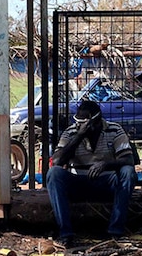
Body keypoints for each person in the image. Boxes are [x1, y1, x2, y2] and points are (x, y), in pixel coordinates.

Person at [46, 100, 136, 247]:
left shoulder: (114, 129)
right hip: (78, 182)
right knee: (54, 173)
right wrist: (79, 136)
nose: (79, 126)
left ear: (96, 122)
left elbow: (128, 159)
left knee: (128, 172)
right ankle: (66, 233)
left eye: (84, 123)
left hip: (105, 182)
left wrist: (106, 164)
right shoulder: (71, 132)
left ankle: (116, 231)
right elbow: (56, 160)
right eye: (78, 122)